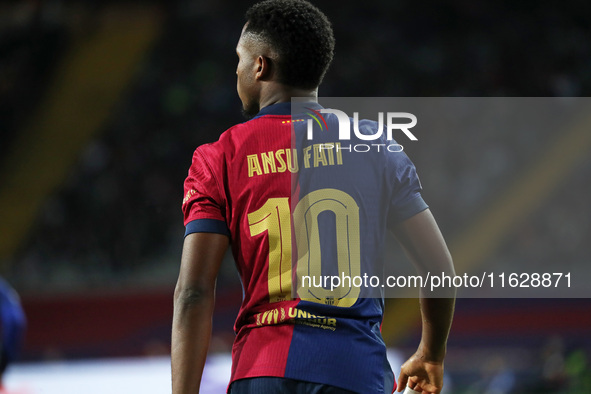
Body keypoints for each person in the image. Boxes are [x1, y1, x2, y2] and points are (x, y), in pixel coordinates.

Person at [171, 1, 455, 393]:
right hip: (355, 373)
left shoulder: (219, 157)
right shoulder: (376, 147)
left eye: (239, 58)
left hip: (262, 373)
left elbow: (194, 292)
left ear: (260, 66)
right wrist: (431, 353)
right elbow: (439, 268)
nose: (235, 69)